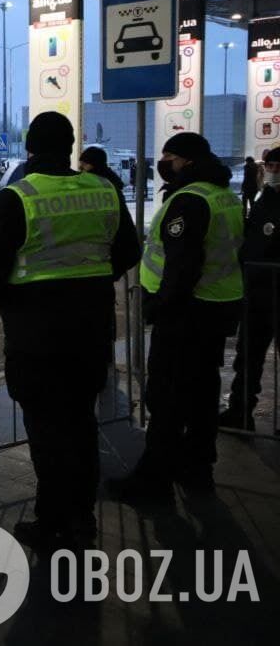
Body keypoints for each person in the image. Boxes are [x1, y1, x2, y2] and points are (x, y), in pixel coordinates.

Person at [0, 113, 140, 550]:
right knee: (83, 424)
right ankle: (82, 517)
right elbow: (128, 250)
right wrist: (91, 279)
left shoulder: (20, 197)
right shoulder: (102, 190)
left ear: (29, 147)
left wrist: (11, 296)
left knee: (46, 432)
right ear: (70, 146)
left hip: (37, 336)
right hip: (91, 330)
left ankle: (52, 522)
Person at [110, 132, 243, 503]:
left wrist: (159, 306)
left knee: (166, 397)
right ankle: (197, 467)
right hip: (217, 307)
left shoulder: (189, 201)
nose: (163, 163)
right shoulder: (222, 195)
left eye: (168, 156)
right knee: (202, 392)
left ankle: (153, 481)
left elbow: (182, 266)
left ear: (185, 160)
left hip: (186, 314)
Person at [221, 148, 280, 431]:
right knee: (248, 357)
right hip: (257, 291)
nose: (272, 171)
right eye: (270, 165)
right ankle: (240, 412)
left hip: (273, 287)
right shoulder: (265, 197)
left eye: (278, 166)